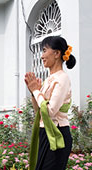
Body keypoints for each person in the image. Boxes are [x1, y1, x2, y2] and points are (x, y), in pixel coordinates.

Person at [24, 36, 76, 170]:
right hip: (45, 133)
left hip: (57, 135)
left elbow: (50, 111)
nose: (41, 56)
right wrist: (33, 92)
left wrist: (36, 91)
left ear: (57, 53)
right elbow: (39, 112)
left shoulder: (62, 78)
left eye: (44, 50)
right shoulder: (48, 80)